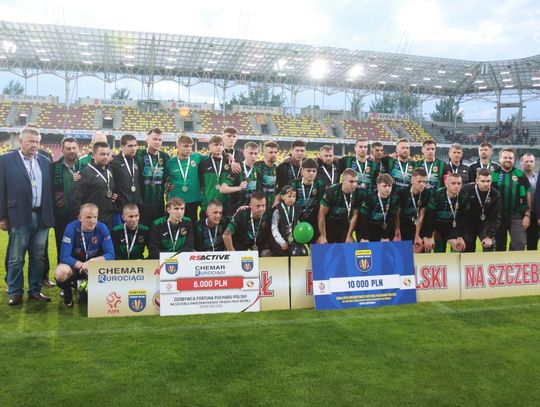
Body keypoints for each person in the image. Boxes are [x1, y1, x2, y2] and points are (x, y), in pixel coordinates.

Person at [0, 126, 55, 306]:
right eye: (31, 141)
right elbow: (1, 189)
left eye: (37, 142)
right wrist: (2, 217)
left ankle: (35, 290)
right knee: (16, 258)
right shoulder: (5, 160)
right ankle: (15, 292)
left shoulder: (45, 161)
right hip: (18, 215)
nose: (34, 145)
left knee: (38, 257)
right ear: (20, 141)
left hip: (41, 216)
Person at [54, 203, 115, 308]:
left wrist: (92, 262)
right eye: (88, 217)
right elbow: (64, 256)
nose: (92, 221)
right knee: (60, 272)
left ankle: (87, 288)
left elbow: (111, 254)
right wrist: (81, 265)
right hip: (75, 267)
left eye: (95, 217)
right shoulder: (71, 228)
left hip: (94, 267)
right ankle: (68, 294)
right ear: (80, 218)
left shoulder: (102, 228)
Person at [492, 148, 531, 251]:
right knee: (499, 246)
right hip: (498, 216)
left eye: (510, 158)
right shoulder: (494, 174)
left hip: (516, 215)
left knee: (519, 244)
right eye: (505, 157)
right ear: (500, 159)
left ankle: (511, 257)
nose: (508, 160)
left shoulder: (520, 174)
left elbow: (528, 193)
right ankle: (501, 261)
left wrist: (527, 214)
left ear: (514, 160)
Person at [73, 141, 117, 229]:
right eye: (102, 154)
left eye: (108, 154)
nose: (106, 157)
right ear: (94, 155)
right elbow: (76, 198)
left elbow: (109, 188)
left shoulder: (109, 170)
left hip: (108, 218)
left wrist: (114, 195)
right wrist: (80, 217)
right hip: (92, 220)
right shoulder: (86, 173)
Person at [421, 173, 469, 253]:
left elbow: (464, 218)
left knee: (458, 247)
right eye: (453, 183)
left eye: (459, 183)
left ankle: (453, 261)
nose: (456, 186)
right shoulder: (437, 195)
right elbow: (429, 216)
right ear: (446, 184)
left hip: (451, 227)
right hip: (436, 226)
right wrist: (429, 236)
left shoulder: (464, 196)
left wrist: (460, 236)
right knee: (431, 246)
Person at [52, 137, 82, 263]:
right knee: (62, 248)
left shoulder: (86, 167)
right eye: (68, 148)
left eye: (74, 148)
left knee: (81, 249)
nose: (72, 151)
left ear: (78, 149)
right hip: (61, 216)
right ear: (62, 150)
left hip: (80, 216)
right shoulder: (53, 168)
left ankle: (79, 273)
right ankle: (63, 273)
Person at [164, 135, 205, 221]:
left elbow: (213, 156)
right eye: (186, 146)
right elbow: (164, 179)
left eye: (190, 146)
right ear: (178, 146)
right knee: (174, 224)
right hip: (176, 200)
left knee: (191, 224)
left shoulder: (196, 157)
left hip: (193, 199)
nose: (189, 149)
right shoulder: (170, 163)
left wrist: (227, 154)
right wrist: (167, 187)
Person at [136, 128, 170, 227]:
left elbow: (168, 177)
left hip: (159, 203)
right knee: (143, 231)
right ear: (147, 140)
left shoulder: (165, 157)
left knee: (158, 231)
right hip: (142, 203)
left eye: (160, 140)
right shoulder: (139, 154)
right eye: (154, 139)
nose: (157, 142)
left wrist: (169, 184)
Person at [317, 169, 361, 244]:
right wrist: (322, 235)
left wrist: (349, 235)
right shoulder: (331, 191)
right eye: (351, 181)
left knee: (347, 247)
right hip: (329, 226)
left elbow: (355, 215)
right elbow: (321, 214)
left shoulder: (358, 193)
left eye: (356, 181)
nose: (354, 184)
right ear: (343, 181)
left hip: (344, 226)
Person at [462, 168, 501, 252]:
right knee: (467, 245)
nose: (486, 184)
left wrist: (490, 236)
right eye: (483, 181)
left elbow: (496, 217)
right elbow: (460, 212)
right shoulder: (466, 189)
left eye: (488, 181)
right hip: (468, 223)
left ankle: (487, 261)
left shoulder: (495, 194)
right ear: (476, 180)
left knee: (489, 244)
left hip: (485, 222)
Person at [198, 135, 236, 216]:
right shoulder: (203, 163)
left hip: (225, 205)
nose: (219, 147)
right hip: (208, 204)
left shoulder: (229, 162)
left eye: (221, 145)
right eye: (215, 145)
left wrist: (229, 157)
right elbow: (200, 185)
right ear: (209, 146)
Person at [289, 158, 324, 243]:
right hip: (296, 221)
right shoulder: (294, 184)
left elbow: (322, 207)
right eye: (308, 171)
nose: (311, 173)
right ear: (302, 171)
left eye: (314, 171)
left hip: (314, 222)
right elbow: (288, 204)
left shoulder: (320, 184)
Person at [395, 168, 430, 252]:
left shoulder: (427, 193)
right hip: (403, 225)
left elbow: (422, 214)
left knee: (419, 247)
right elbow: (397, 214)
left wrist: (417, 235)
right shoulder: (402, 192)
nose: (422, 184)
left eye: (424, 182)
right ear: (412, 180)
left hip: (418, 226)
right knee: (403, 251)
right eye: (419, 181)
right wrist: (397, 229)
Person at [110, 134, 141, 226]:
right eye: (130, 146)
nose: (133, 148)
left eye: (135, 146)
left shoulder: (136, 160)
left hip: (134, 208)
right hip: (120, 208)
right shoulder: (114, 161)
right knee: (120, 232)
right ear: (122, 147)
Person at [358, 174, 399, 242]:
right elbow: (363, 218)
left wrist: (385, 236)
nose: (388, 188)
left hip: (383, 227)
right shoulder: (370, 198)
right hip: (369, 227)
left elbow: (391, 218)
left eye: (390, 186)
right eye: (384, 186)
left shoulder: (394, 198)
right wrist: (365, 237)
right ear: (378, 186)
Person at [228, 141, 259, 217]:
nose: (253, 156)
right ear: (244, 153)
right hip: (236, 210)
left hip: (251, 210)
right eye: (250, 153)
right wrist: (239, 188)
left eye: (255, 154)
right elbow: (223, 188)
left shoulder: (257, 169)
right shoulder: (237, 168)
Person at [270, 185, 301, 256]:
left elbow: (297, 223)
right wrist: (282, 242)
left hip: (292, 242)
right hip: (280, 243)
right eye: (289, 196)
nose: (292, 199)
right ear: (282, 197)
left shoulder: (296, 209)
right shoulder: (277, 210)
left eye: (294, 196)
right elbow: (274, 228)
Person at [253, 141, 279, 211]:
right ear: (264, 153)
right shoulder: (256, 166)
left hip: (272, 206)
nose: (273, 155)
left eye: (275, 152)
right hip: (259, 206)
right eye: (271, 152)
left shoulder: (276, 168)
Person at [521, 153, 538, 250]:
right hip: (520, 214)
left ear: (535, 163)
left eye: (531, 161)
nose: (529, 163)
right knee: (518, 242)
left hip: (535, 215)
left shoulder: (538, 178)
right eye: (526, 161)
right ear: (521, 162)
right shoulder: (517, 177)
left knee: (532, 242)